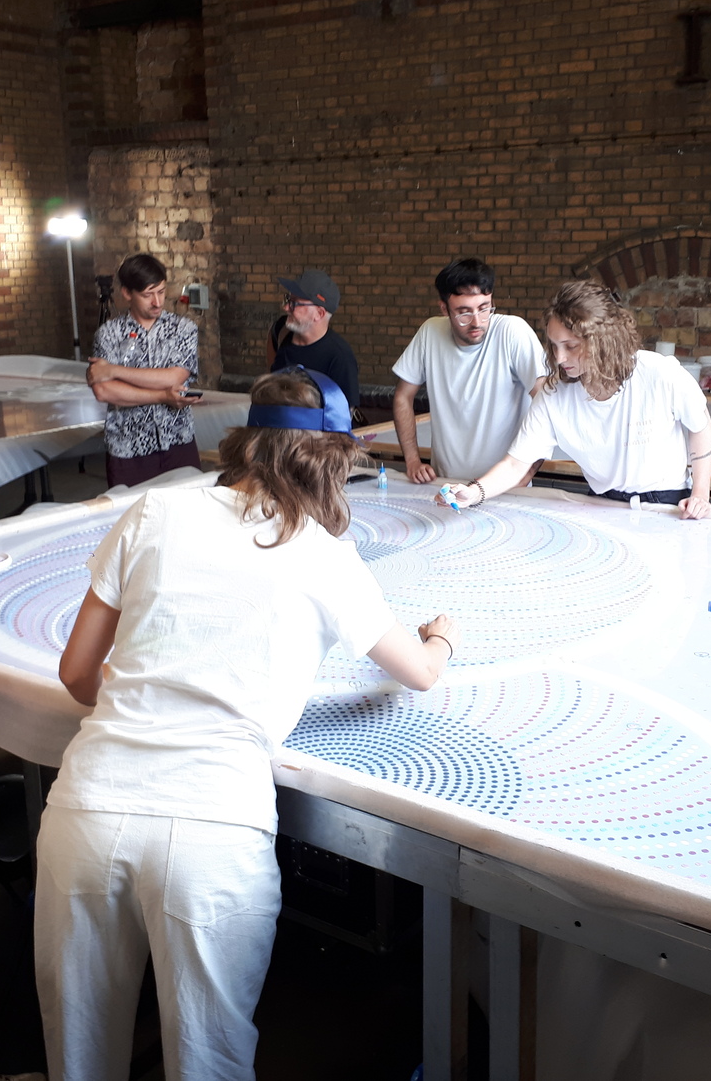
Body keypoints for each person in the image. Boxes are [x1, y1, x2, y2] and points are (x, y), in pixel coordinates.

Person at [36, 368, 459, 1081]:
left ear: (244, 441)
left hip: (88, 807)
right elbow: (416, 672)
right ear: (330, 460)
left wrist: (157, 690)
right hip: (213, 830)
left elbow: (77, 673)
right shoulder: (325, 554)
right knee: (208, 1060)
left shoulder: (156, 511)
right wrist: (441, 638)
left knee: (78, 1056)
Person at [441, 280, 711, 519]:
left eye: (571, 346)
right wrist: (473, 492)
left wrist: (700, 494)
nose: (560, 358)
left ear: (603, 340)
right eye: (554, 346)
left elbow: (700, 427)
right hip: (602, 502)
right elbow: (516, 464)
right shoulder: (554, 396)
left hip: (668, 502)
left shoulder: (659, 373)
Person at [392, 257, 547, 483]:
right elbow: (402, 397)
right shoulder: (430, 332)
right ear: (444, 309)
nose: (477, 322)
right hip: (445, 486)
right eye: (464, 313)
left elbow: (547, 403)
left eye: (484, 309)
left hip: (503, 487)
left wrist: (526, 474)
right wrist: (412, 460)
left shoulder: (512, 332)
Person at [87, 253, 201, 488]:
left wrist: (115, 371)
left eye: (161, 292)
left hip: (178, 441)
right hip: (127, 447)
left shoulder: (183, 329)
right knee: (132, 510)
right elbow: (105, 391)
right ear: (127, 293)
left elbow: (175, 376)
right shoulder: (109, 334)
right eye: (148, 295)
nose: (157, 302)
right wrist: (163, 396)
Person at [268, 269, 361, 419]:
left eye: (294, 303)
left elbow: (343, 417)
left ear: (319, 314)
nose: (285, 308)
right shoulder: (282, 332)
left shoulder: (340, 357)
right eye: (288, 299)